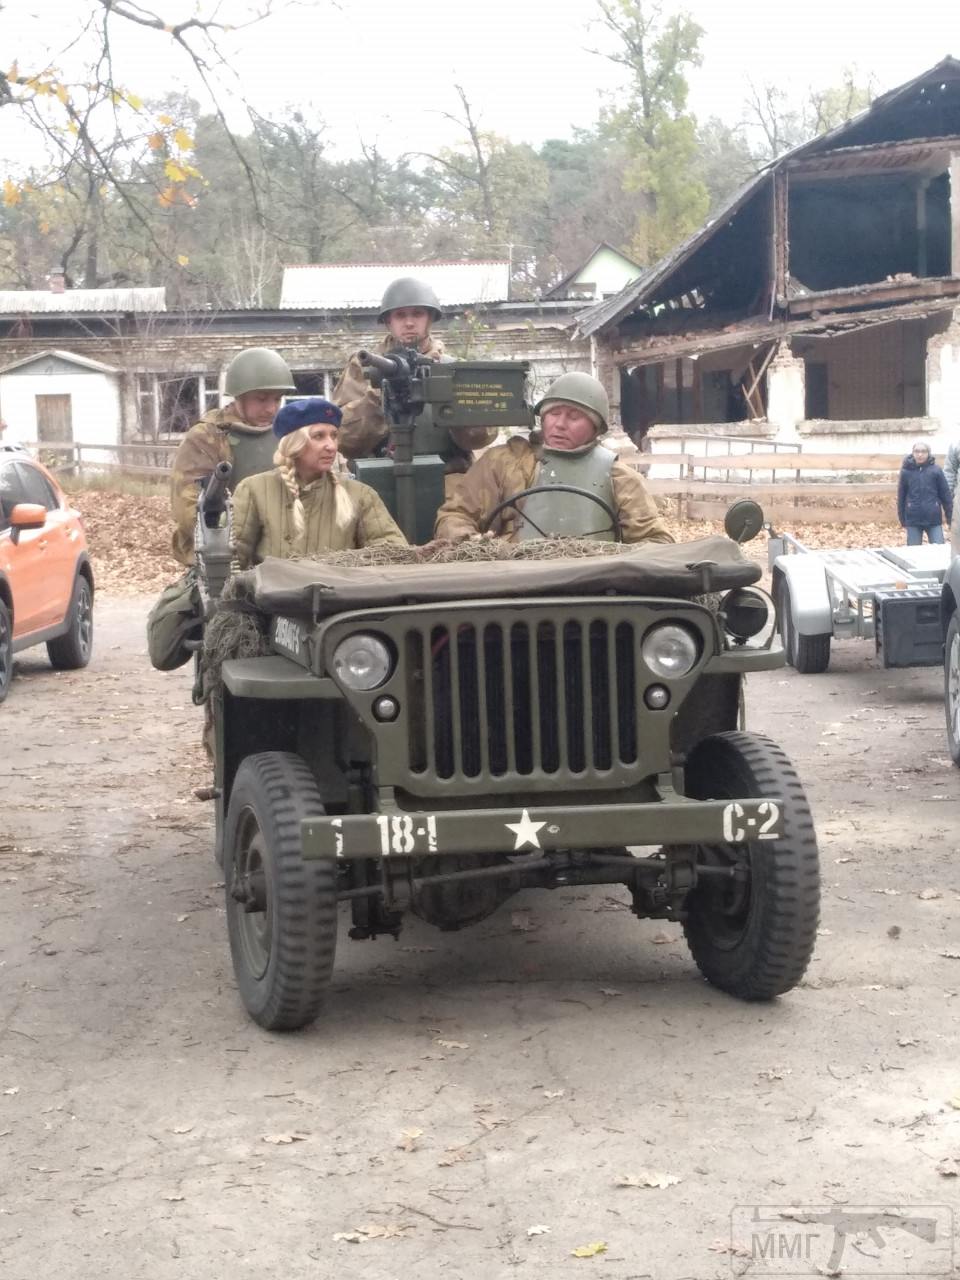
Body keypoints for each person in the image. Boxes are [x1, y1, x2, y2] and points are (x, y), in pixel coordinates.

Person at [434, 372, 674, 545]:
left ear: (595, 427)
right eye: (553, 413)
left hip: (595, 589)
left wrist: (616, 562)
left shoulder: (620, 479)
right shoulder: (505, 462)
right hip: (512, 582)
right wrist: (470, 544)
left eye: (573, 417)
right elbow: (456, 515)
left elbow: (656, 540)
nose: (559, 424)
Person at [331, 276, 498, 473]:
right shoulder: (364, 367)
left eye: (417, 314)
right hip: (380, 477)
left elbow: (482, 437)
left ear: (430, 318)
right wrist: (378, 397)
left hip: (448, 480)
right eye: (400, 315)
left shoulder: (452, 369)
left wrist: (456, 409)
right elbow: (342, 439)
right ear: (388, 322)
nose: (409, 323)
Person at [231, 397, 406, 569]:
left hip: (340, 595)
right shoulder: (254, 491)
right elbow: (232, 563)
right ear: (294, 443)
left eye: (334, 436)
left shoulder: (360, 495)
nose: (331, 446)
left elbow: (395, 555)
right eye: (319, 436)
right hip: (274, 597)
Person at [169, 347, 296, 566]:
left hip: (282, 554)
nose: (271, 408)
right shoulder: (207, 437)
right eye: (262, 399)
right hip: (221, 557)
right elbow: (189, 510)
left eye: (276, 399)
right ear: (240, 397)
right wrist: (237, 535)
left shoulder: (287, 433)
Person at [897, 440, 952, 545]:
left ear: (928, 453)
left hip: (933, 518)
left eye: (923, 451)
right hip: (913, 519)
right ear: (913, 453)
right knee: (914, 552)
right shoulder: (906, 472)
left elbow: (945, 495)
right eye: (917, 451)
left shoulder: (936, 471)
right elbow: (901, 496)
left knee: (939, 549)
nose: (920, 454)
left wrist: (950, 518)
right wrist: (902, 518)